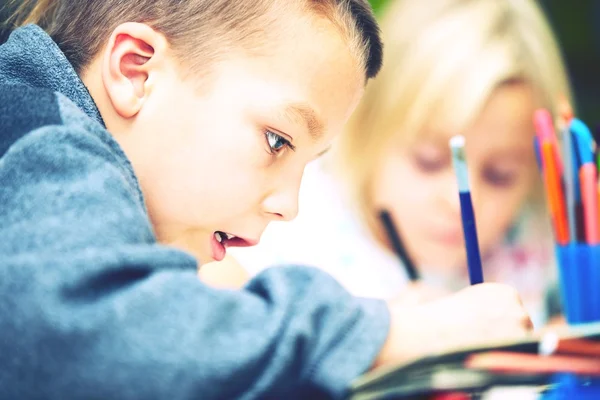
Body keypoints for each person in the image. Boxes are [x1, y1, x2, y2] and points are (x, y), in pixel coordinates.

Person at [0, 0, 532, 398]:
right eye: (277, 141)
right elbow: (101, 339)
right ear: (135, 71)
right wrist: (394, 333)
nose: (289, 205)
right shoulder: (38, 139)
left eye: (309, 164)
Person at [230, 0, 573, 327]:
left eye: (501, 176)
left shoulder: (537, 239)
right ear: (366, 126)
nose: (458, 201)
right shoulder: (286, 224)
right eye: (429, 162)